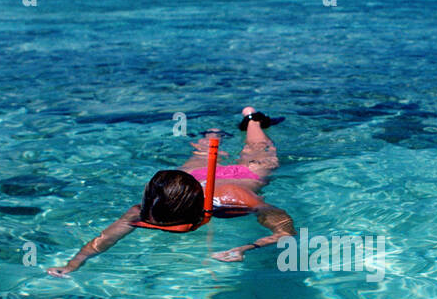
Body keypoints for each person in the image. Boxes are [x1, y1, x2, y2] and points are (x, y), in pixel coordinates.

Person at [46, 107, 294, 276]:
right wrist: (73, 264)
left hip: (243, 175)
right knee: (204, 151)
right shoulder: (145, 211)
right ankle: (214, 134)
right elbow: (106, 238)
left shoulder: (236, 200)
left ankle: (252, 119)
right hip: (193, 178)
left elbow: (285, 230)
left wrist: (246, 247)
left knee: (257, 148)